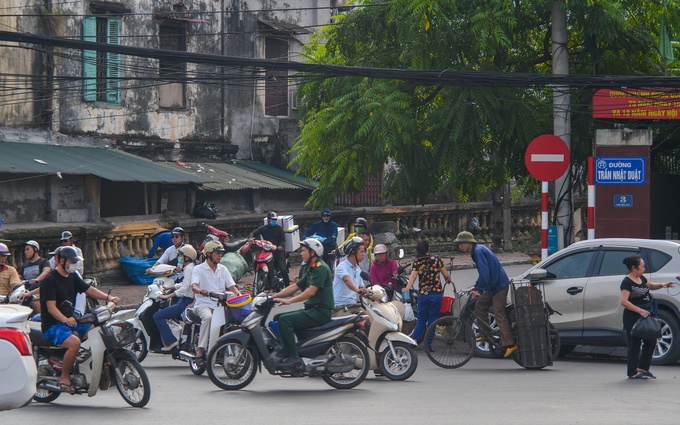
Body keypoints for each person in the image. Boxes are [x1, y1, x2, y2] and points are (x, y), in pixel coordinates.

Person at [39, 246, 120, 393]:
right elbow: (51, 307)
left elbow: (88, 290)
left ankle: (82, 363)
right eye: (71, 261)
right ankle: (64, 376)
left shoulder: (72, 276)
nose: (74, 264)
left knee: (96, 329)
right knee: (74, 343)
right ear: (62, 261)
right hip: (53, 325)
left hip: (71, 320)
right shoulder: (49, 280)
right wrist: (65, 319)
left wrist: (109, 297)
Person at [454, 231, 518, 357]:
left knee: (499, 313)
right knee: (480, 306)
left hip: (499, 286)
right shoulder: (478, 250)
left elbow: (485, 274)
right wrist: (477, 286)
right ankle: (486, 334)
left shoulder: (478, 252)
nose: (460, 247)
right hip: (492, 285)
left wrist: (479, 289)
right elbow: (483, 274)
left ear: (468, 243)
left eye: (461, 244)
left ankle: (510, 344)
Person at [272, 238, 334, 369]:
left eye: (304, 251)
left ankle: (294, 358)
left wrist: (289, 301)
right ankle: (288, 349)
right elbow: (295, 286)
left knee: (284, 320)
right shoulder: (311, 269)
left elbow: (310, 292)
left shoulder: (321, 268)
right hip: (312, 310)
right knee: (277, 318)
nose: (301, 253)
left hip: (320, 311)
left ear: (313, 253)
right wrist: (271, 297)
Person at [620, 255, 675, 379]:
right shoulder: (627, 282)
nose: (644, 269)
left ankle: (643, 368)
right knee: (634, 344)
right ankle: (632, 372)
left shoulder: (641, 278)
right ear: (634, 268)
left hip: (646, 314)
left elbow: (650, 286)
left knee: (651, 340)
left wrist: (663, 285)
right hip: (633, 316)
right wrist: (639, 310)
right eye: (642, 266)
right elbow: (623, 301)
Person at [190, 241, 241, 362]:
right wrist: (201, 291)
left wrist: (239, 296)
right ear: (208, 254)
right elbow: (194, 286)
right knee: (208, 318)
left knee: (234, 322)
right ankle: (200, 349)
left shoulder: (223, 269)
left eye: (221, 253)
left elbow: (232, 287)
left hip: (221, 306)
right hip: (203, 304)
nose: (220, 256)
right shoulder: (199, 269)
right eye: (217, 253)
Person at [403, 239, 451, 348]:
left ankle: (412, 343)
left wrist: (407, 288)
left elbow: (413, 277)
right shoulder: (437, 260)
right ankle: (428, 345)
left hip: (423, 295)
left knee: (421, 320)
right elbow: (446, 275)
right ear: (428, 248)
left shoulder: (418, 261)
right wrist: (448, 279)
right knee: (432, 320)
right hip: (436, 294)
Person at [153, 244, 197, 351]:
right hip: (185, 300)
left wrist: (168, 295)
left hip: (185, 302)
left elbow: (185, 288)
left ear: (187, 257)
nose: (179, 258)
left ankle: (171, 341)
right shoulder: (189, 268)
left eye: (181, 256)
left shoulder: (188, 269)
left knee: (157, 316)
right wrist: (169, 287)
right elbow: (183, 284)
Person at [248, 211, 290, 288]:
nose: (274, 221)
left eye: (275, 219)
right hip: (267, 251)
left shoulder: (279, 229)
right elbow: (253, 233)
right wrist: (251, 237)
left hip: (277, 251)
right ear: (268, 220)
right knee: (257, 261)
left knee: (283, 268)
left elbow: (283, 240)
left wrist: (280, 246)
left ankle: (288, 286)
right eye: (272, 219)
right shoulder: (263, 228)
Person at [332, 236, 369, 316]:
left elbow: (361, 288)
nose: (364, 254)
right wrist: (358, 290)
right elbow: (347, 280)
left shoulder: (358, 269)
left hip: (353, 305)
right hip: (340, 306)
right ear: (353, 252)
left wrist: (367, 291)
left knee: (368, 321)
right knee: (349, 325)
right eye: (362, 252)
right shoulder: (342, 266)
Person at [17, 240, 51, 313]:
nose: (25, 252)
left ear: (35, 250)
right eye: (25, 250)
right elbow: (19, 276)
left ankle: (41, 316)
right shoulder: (25, 265)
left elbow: (46, 271)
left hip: (38, 290)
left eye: (28, 249)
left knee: (32, 299)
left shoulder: (43, 262)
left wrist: (37, 279)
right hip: (26, 289)